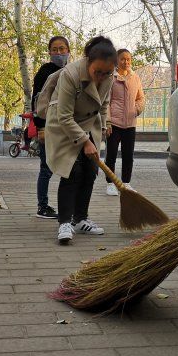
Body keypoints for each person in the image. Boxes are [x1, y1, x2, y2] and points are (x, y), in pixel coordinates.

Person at [44, 36, 116, 245]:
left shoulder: (109, 75)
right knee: (72, 171)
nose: (102, 77)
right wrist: (85, 142)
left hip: (90, 125)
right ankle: (65, 222)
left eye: (107, 73)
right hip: (63, 125)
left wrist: (103, 127)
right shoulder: (71, 74)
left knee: (90, 171)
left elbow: (103, 104)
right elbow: (64, 116)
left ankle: (81, 219)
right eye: (97, 72)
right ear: (88, 62)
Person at [31, 36, 70, 219]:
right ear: (49, 52)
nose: (59, 53)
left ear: (68, 50)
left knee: (70, 167)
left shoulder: (72, 71)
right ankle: (42, 206)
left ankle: (69, 206)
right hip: (48, 127)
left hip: (67, 127)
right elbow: (37, 101)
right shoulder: (45, 72)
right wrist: (40, 127)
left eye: (62, 49)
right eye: (55, 49)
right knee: (46, 168)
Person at [104, 48, 145, 196]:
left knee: (128, 156)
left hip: (130, 124)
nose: (126, 61)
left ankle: (126, 183)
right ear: (117, 60)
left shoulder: (135, 78)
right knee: (111, 155)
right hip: (114, 124)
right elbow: (106, 102)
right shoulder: (110, 78)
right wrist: (107, 122)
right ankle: (110, 183)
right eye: (123, 59)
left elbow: (141, 98)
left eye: (128, 59)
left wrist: (136, 109)